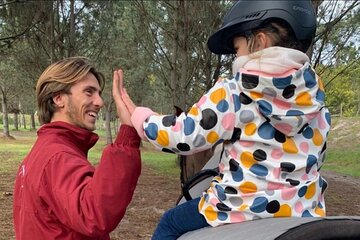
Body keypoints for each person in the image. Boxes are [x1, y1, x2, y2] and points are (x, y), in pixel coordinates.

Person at [120, 0, 331, 239]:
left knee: (170, 223)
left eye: (238, 49)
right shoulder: (316, 103)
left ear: (260, 42)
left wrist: (140, 117)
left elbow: (183, 136)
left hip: (239, 206)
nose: (236, 57)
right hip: (303, 210)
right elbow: (316, 159)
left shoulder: (235, 92)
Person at [13, 57, 141, 240]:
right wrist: (127, 138)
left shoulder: (42, 152)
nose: (99, 102)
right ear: (58, 98)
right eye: (89, 92)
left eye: (98, 93)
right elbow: (94, 215)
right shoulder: (58, 157)